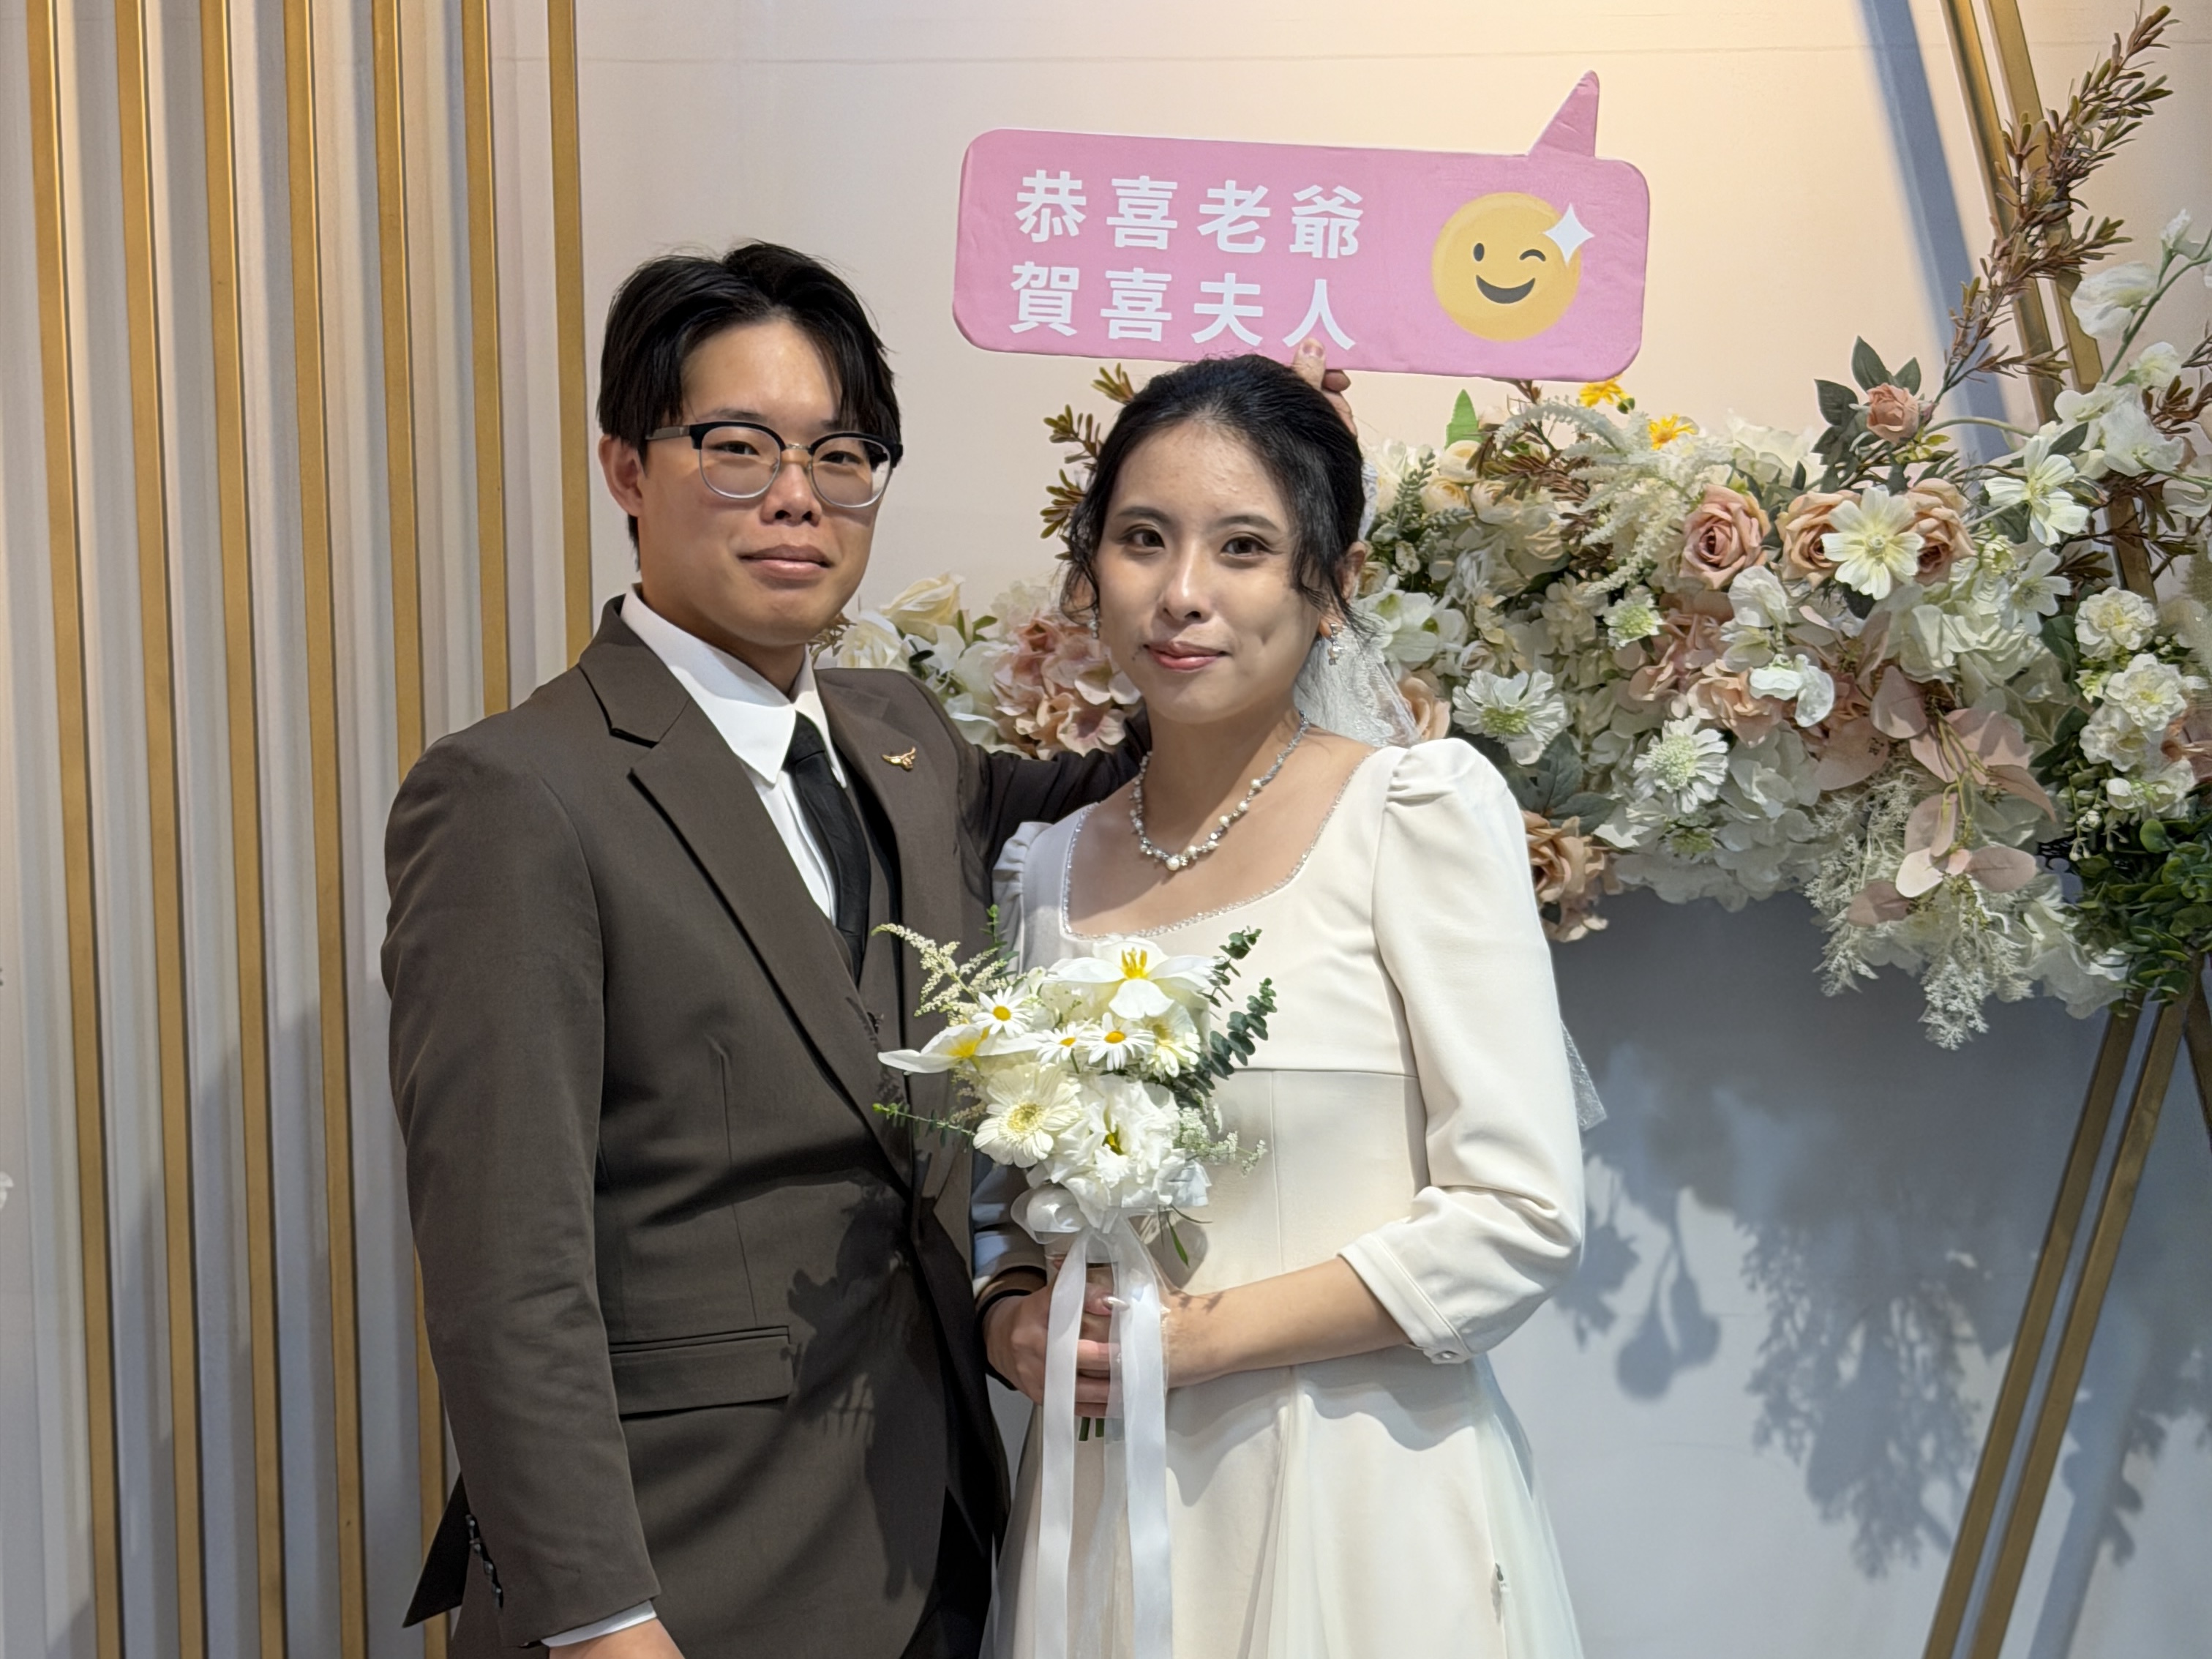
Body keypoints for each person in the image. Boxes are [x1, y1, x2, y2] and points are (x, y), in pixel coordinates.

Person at [383, 241, 1149, 1659]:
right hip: (680, 1573)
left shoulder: (902, 738)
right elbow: (506, 1269)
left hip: (931, 1545)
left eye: (842, 456)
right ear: (627, 468)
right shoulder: (516, 794)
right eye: (738, 448)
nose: (799, 496)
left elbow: (1150, 793)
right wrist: (602, 1623)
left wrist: (1248, 548)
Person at [975, 354, 1588, 1658]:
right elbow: (1003, 1208)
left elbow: (1521, 1215)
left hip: (1356, 1495)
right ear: (1091, 570)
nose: (1183, 594)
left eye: (1244, 547)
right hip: (1102, 1515)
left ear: (1333, 584)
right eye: (1143, 540)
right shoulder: (1047, 868)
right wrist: (1012, 1317)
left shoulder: (1414, 814)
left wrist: (1198, 1342)